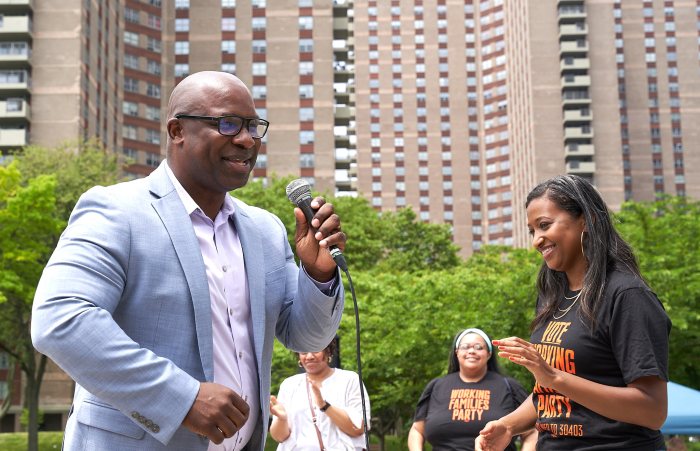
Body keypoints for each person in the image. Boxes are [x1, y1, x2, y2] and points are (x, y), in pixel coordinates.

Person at [31, 71, 346, 451]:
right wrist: (182, 398)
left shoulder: (266, 230)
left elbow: (306, 336)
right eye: (227, 124)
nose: (246, 140)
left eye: (252, 126)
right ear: (177, 130)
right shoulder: (116, 210)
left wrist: (318, 274)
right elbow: (61, 317)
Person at [476, 175, 672, 451]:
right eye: (532, 230)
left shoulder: (627, 296)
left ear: (586, 219)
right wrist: (508, 425)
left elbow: (652, 410)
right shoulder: (552, 298)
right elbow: (551, 394)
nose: (536, 240)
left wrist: (554, 376)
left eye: (544, 225)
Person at [408, 328, 536, 451]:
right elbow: (417, 430)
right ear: (456, 352)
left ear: (489, 353)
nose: (471, 351)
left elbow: (531, 433)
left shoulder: (509, 386)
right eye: (465, 347)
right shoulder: (436, 386)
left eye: (478, 347)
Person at [269, 339, 370, 450]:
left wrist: (324, 406)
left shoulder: (349, 380)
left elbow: (358, 428)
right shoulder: (289, 384)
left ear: (328, 351)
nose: (309, 356)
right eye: (303, 352)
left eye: (315, 350)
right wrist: (281, 419)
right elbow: (279, 438)